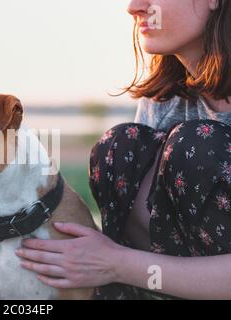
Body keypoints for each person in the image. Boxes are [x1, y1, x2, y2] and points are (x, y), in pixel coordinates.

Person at [15, 0, 231, 299]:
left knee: (197, 145)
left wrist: (116, 263)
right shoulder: (165, 101)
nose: (134, 7)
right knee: (119, 147)